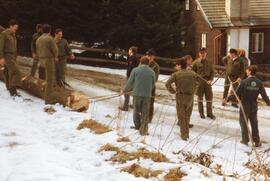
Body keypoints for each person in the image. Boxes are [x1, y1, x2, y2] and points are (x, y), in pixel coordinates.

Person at [234, 66, 270, 147]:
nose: (246, 72)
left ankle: (245, 140)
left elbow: (236, 94)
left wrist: (227, 98)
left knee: (243, 123)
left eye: (247, 71)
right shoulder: (259, 82)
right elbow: (264, 95)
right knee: (254, 123)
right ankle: (257, 141)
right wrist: (269, 103)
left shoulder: (243, 82)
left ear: (250, 71)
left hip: (244, 105)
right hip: (253, 105)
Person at [122, 56, 155, 136]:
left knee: (136, 111)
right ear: (148, 63)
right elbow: (153, 85)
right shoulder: (152, 72)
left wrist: (124, 90)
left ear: (140, 62)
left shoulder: (135, 70)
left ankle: (137, 126)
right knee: (145, 113)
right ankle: (143, 130)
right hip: (147, 95)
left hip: (137, 94)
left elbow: (130, 82)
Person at [165, 58, 197, 140]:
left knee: (181, 116)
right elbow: (197, 84)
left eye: (176, 65)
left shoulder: (176, 74)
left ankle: (184, 135)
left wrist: (173, 91)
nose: (176, 67)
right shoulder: (193, 73)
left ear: (179, 65)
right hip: (190, 97)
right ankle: (187, 133)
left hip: (180, 97)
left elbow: (167, 84)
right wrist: (193, 91)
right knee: (187, 116)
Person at [36, 24, 58, 104]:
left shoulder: (38, 39)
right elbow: (55, 50)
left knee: (43, 78)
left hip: (41, 60)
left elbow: (37, 50)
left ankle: (42, 94)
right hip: (48, 60)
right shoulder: (50, 39)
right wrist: (55, 56)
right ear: (50, 30)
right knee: (49, 80)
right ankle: (48, 99)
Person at [0, 19, 22, 96]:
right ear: (11, 26)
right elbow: (1, 47)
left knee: (7, 71)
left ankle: (9, 87)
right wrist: (1, 58)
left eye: (17, 27)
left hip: (12, 55)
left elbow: (14, 48)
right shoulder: (4, 34)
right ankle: (13, 91)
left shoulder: (13, 34)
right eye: (15, 27)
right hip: (7, 55)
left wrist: (16, 58)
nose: (16, 29)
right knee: (16, 72)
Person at [192, 48, 215, 120]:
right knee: (200, 98)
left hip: (207, 82)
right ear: (199, 54)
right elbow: (193, 73)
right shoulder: (195, 62)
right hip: (199, 82)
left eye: (204, 53)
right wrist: (196, 82)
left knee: (209, 98)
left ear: (206, 54)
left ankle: (209, 113)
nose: (202, 54)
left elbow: (212, 72)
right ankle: (201, 113)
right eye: (201, 53)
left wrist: (210, 80)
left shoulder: (209, 62)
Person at [119, 46, 139, 111]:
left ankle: (125, 106)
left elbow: (131, 67)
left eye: (129, 50)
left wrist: (128, 75)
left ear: (132, 51)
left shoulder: (132, 57)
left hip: (131, 76)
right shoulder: (136, 57)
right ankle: (134, 105)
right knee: (133, 90)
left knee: (127, 90)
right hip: (135, 76)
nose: (128, 51)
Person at [146, 48, 160, 122]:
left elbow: (156, 78)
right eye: (148, 56)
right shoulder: (143, 63)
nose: (149, 57)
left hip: (151, 87)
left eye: (151, 56)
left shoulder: (156, 66)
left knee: (150, 103)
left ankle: (149, 118)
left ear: (153, 57)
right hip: (143, 86)